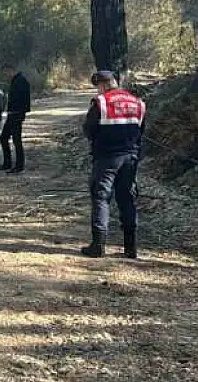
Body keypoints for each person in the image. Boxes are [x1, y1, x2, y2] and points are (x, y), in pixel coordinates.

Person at [80, 70, 146, 259]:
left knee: (101, 197)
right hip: (130, 158)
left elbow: (89, 129)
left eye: (98, 87)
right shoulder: (138, 102)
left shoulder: (100, 102)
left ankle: (98, 245)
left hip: (106, 157)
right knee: (127, 198)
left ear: (102, 85)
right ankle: (130, 247)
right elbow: (141, 131)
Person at [0, 67, 31, 172]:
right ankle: (7, 163)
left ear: (11, 70)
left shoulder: (21, 81)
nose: (6, 75)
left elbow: (24, 99)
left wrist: (20, 111)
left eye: (6, 72)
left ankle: (19, 165)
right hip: (12, 114)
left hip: (16, 114)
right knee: (4, 138)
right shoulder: (16, 81)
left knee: (16, 140)